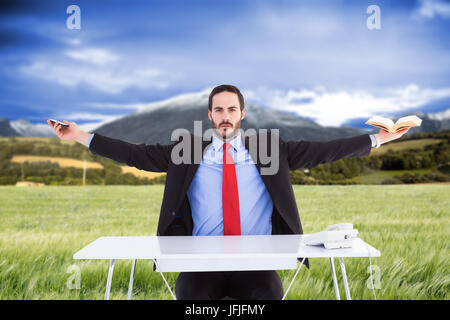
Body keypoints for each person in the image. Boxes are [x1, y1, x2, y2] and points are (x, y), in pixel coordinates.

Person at [47, 84, 409, 300]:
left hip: (258, 261)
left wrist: (379, 138)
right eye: (218, 109)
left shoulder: (269, 147)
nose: (225, 115)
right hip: (199, 261)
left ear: (242, 114)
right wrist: (80, 136)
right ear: (209, 115)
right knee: (191, 297)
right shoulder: (186, 149)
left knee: (268, 295)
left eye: (231, 109)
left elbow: (325, 149)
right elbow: (137, 154)